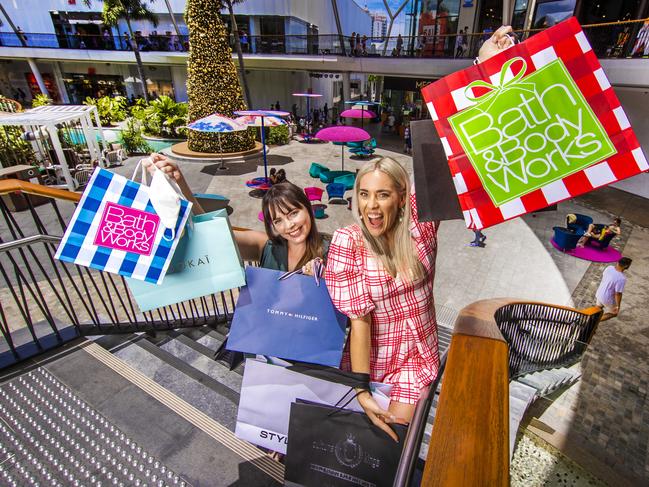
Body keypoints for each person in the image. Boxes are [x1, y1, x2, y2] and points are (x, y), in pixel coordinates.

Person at [324, 25, 517, 441]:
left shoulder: (420, 224)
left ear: (400, 198)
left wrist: (485, 67)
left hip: (420, 356)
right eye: (364, 195)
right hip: (373, 360)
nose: (371, 206)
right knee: (368, 445)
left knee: (394, 442)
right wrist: (360, 389)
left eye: (382, 195)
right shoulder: (347, 243)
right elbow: (358, 322)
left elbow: (457, 145)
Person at [141, 153, 328, 273]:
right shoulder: (266, 246)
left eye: (293, 213)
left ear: (308, 208)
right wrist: (179, 181)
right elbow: (211, 232)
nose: (289, 226)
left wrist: (327, 279)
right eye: (278, 220)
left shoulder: (334, 250)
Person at [595, 257, 632, 321]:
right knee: (614, 313)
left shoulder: (609, 267)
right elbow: (618, 294)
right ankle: (594, 322)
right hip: (607, 298)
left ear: (618, 262)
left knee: (597, 310)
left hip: (599, 293)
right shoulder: (622, 278)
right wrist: (618, 306)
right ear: (626, 266)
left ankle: (591, 323)